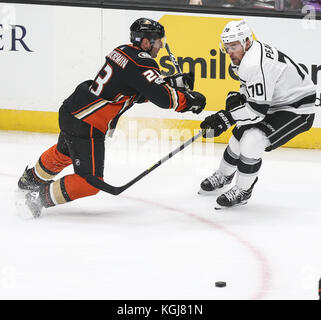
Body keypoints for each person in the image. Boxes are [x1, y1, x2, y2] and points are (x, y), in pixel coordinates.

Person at [18, 17, 206, 218]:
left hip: (72, 110)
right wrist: (189, 100)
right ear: (145, 42)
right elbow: (163, 99)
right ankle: (37, 199)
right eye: (158, 41)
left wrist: (170, 82)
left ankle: (29, 180)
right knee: (89, 182)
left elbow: (134, 90)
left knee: (64, 152)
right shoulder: (143, 63)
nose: (160, 46)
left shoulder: (123, 51)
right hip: (87, 124)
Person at [199, 19, 316, 208]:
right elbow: (254, 94)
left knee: (252, 140)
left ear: (246, 41)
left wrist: (226, 117)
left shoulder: (254, 63)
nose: (229, 52)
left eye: (234, 46)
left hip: (298, 109)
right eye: (226, 46)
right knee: (239, 134)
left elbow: (256, 111)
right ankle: (224, 175)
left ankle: (243, 190)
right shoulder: (246, 54)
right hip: (276, 102)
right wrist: (240, 97)